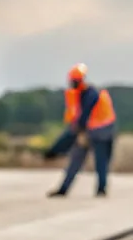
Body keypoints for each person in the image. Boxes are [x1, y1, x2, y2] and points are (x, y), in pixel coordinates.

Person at [43, 63, 117, 197]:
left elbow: (81, 120)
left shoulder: (91, 95)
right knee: (79, 160)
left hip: (99, 132)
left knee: (98, 161)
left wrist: (58, 148)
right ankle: (65, 189)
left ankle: (100, 189)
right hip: (96, 131)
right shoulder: (83, 94)